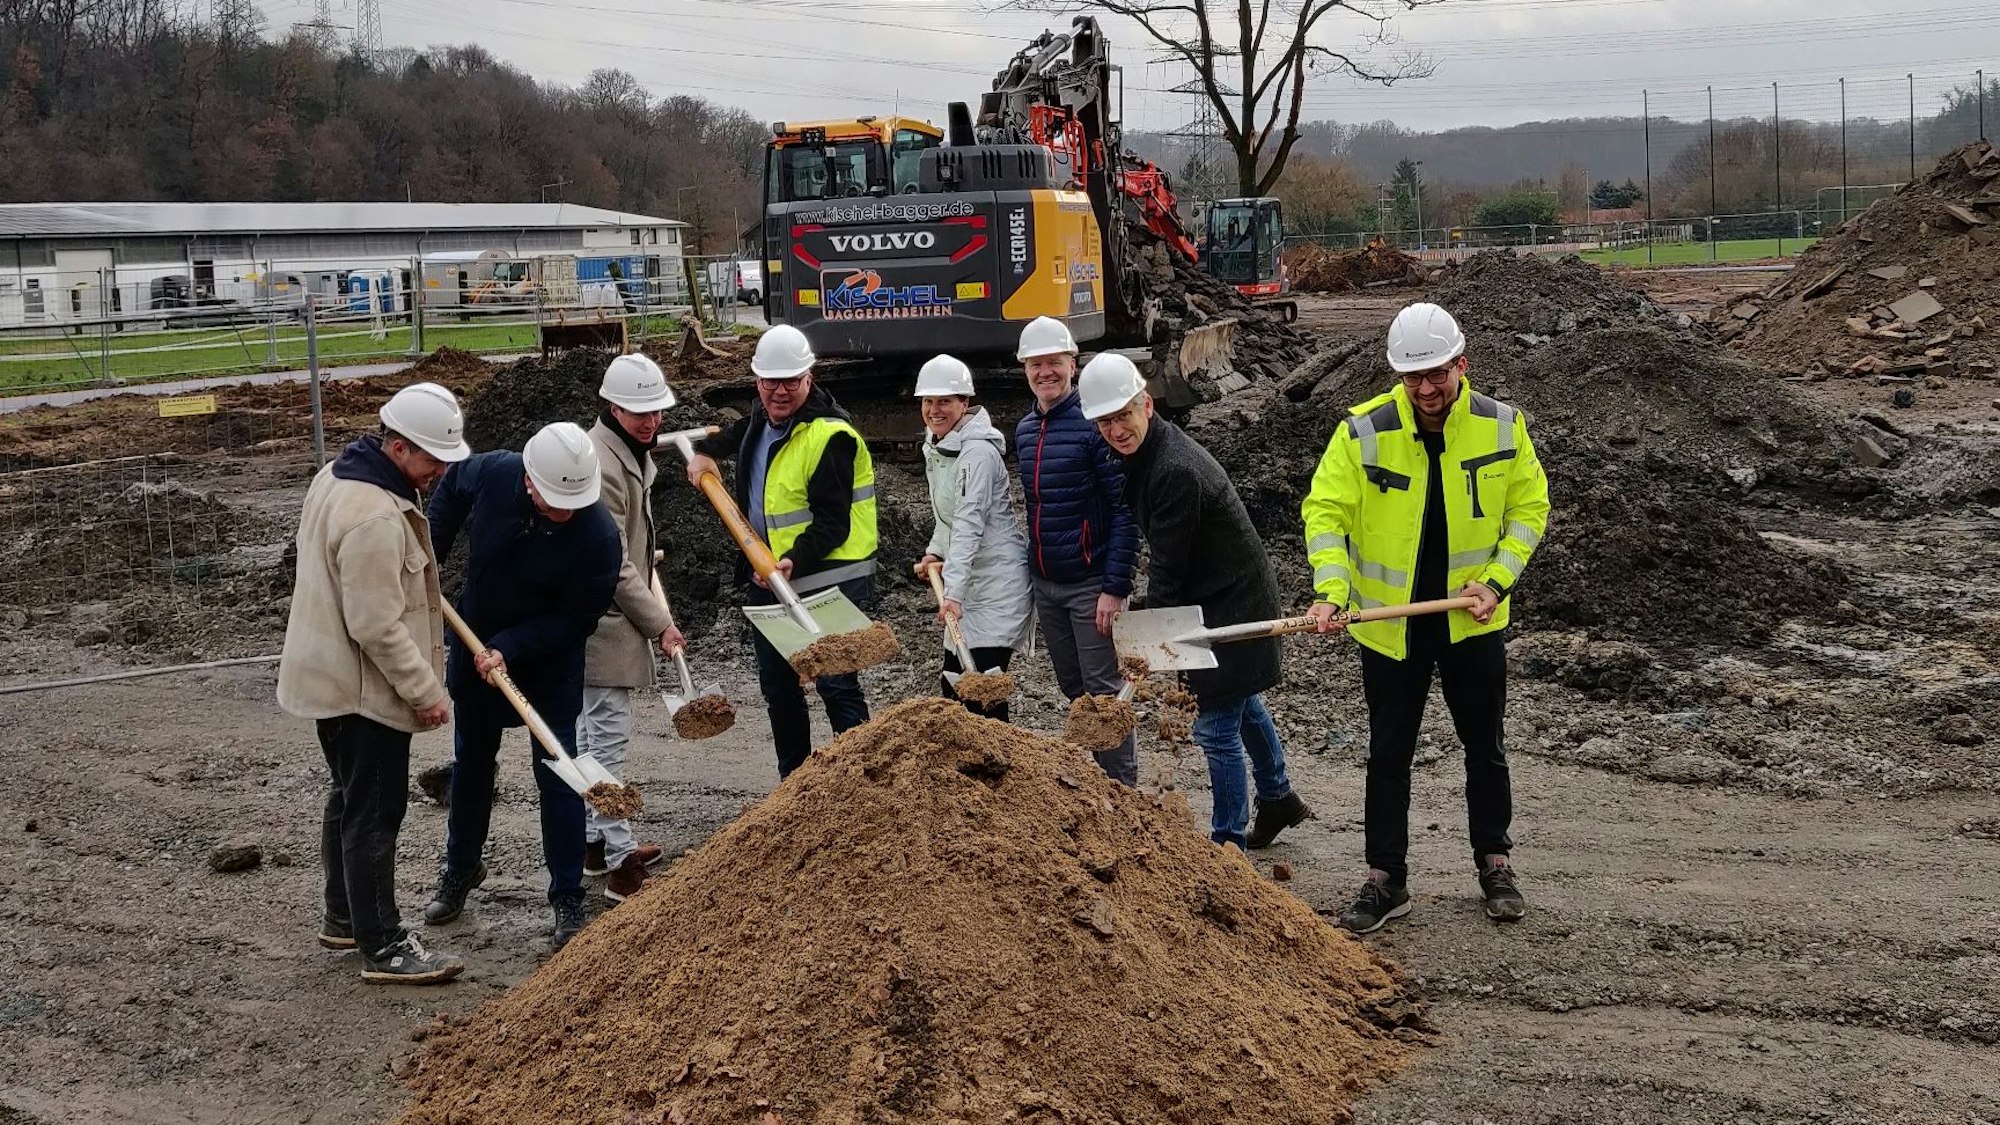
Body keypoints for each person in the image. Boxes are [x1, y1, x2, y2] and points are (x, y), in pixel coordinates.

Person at [1301, 301, 1550, 934]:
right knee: (1388, 753)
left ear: (1461, 364)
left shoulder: (1502, 426)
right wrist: (1331, 590)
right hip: (1390, 626)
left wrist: (1496, 581)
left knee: (1485, 749)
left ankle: (1494, 861)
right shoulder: (1362, 431)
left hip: (1473, 621)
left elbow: (1530, 510)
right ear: (1398, 375)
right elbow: (1324, 513)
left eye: (1437, 373)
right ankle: (1387, 877)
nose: (1427, 388)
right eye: (1414, 377)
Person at [277, 382, 470, 984]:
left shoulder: (334, 477)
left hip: (326, 680)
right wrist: (426, 692)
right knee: (375, 813)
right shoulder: (376, 518)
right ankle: (383, 945)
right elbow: (376, 626)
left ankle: (343, 918)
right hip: (363, 693)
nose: (440, 471)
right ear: (397, 448)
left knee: (348, 797)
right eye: (433, 458)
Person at [1078, 354, 1312, 850]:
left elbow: (1168, 569)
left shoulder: (1173, 471)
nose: (1116, 429)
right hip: (1218, 589)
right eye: (1104, 421)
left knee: (1213, 725)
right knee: (1241, 702)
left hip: (1232, 601)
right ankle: (1278, 798)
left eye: (1123, 415)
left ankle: (1226, 846)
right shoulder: (1147, 454)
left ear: (1146, 403)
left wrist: (1150, 644)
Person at [422, 422, 621, 951]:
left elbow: (577, 619)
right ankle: (461, 869)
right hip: (475, 646)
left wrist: (512, 645)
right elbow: (450, 488)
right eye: (554, 502)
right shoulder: (495, 472)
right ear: (530, 482)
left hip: (546, 663)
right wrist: (428, 557)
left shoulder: (599, 535)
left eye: (572, 503)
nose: (564, 512)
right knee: (471, 766)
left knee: (558, 772)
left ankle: (567, 895)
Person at [686, 324, 878, 778]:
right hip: (768, 576)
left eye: (790, 380)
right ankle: (794, 785)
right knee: (779, 688)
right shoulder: (760, 417)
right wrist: (702, 452)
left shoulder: (830, 436)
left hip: (829, 578)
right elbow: (727, 437)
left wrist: (793, 560)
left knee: (836, 682)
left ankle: (868, 784)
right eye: (769, 381)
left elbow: (834, 524)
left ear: (808, 377)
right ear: (757, 381)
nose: (779, 391)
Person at [1014, 316, 1140, 785]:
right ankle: (1095, 784)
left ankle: (1123, 794)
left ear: (1073, 363)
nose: (1045, 372)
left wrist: (1115, 587)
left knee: (1104, 693)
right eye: (1035, 364)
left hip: (1091, 585)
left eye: (1054, 362)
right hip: (1047, 584)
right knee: (1073, 689)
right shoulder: (1026, 431)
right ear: (1025, 369)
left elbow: (1124, 512)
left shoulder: (1093, 428)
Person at [580, 354, 683, 902]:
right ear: (613, 406)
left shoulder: (626, 452)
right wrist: (660, 622)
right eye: (640, 412)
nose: (651, 422)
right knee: (605, 744)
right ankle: (620, 861)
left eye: (656, 412)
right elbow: (611, 560)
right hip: (604, 622)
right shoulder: (603, 462)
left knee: (589, 737)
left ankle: (595, 842)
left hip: (608, 616)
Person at [911, 354, 1033, 721]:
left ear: (965, 403)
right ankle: (963, 775)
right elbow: (946, 518)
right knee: (953, 684)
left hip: (996, 584)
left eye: (945, 401)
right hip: (969, 581)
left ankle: (1000, 771)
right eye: (928, 401)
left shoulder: (976, 453)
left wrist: (954, 595)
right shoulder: (938, 445)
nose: (935, 410)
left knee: (983, 688)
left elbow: (969, 523)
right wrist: (934, 553)